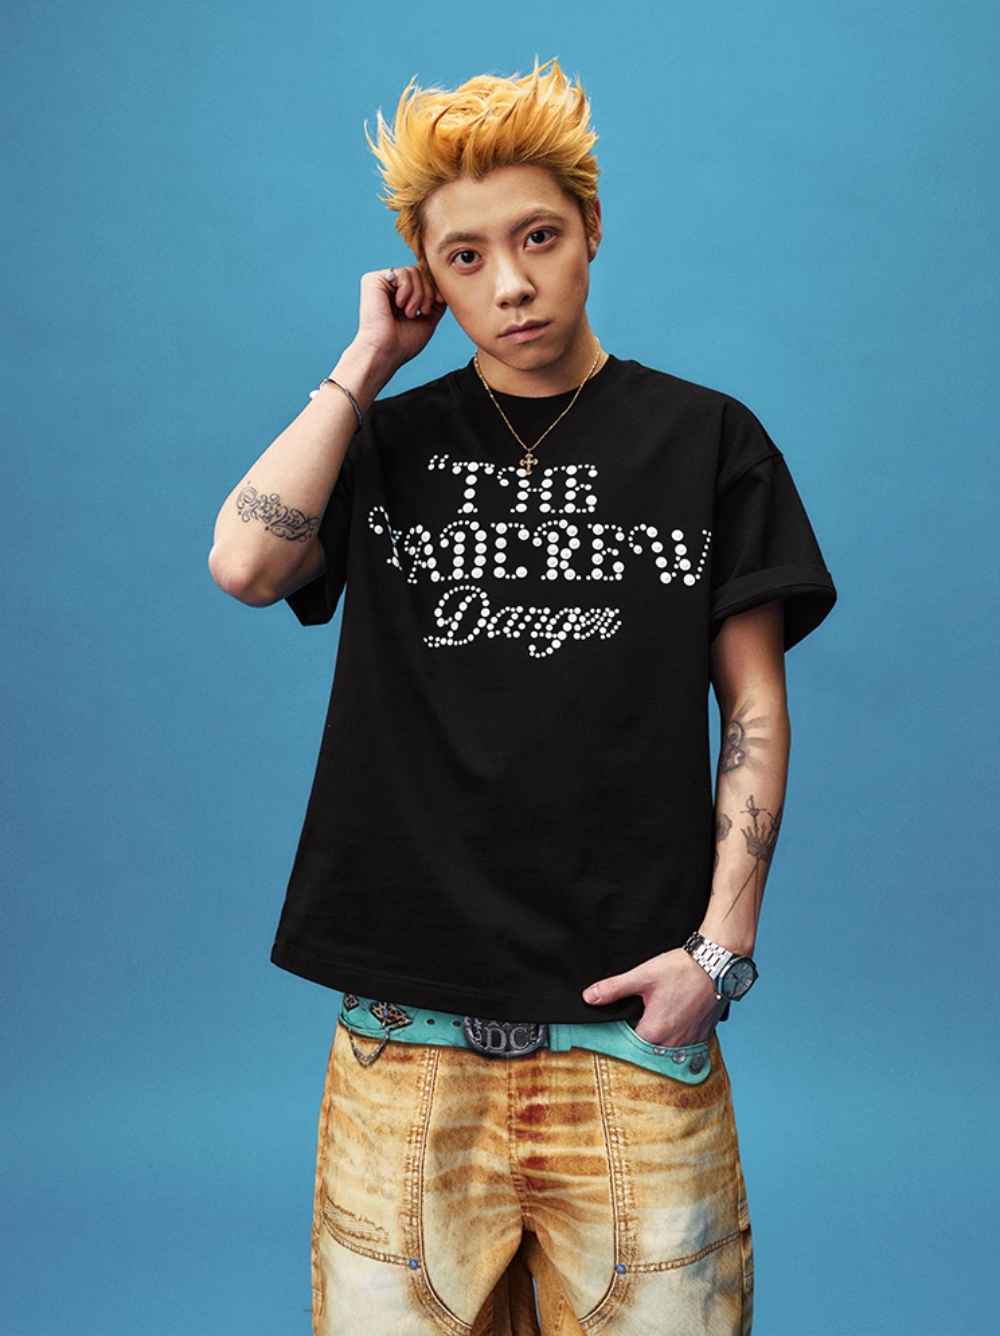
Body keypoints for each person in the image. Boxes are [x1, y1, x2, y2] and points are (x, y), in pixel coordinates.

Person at [209, 59, 836, 1336]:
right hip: (405, 1043)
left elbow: (755, 716)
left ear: (590, 228)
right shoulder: (384, 443)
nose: (509, 283)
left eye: (538, 236)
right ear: (426, 280)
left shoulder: (708, 440)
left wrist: (718, 955)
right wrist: (366, 360)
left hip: (630, 1036)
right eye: (465, 257)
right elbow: (244, 564)